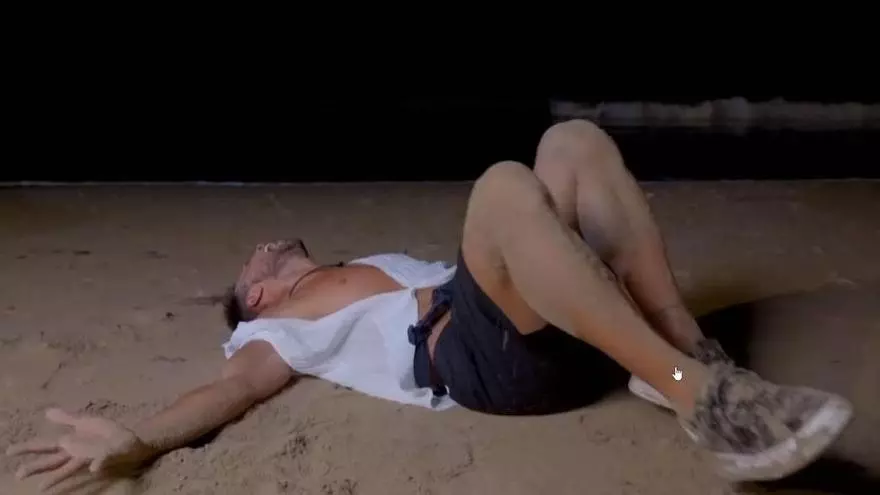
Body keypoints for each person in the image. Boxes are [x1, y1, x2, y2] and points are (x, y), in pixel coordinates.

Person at [6, 120, 852, 491]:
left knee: (573, 141)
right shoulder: (274, 331)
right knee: (503, 186)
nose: (261, 244)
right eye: (252, 260)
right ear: (257, 294)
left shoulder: (365, 266)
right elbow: (229, 391)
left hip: (540, 318)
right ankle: (696, 393)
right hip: (483, 361)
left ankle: (688, 349)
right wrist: (140, 439)